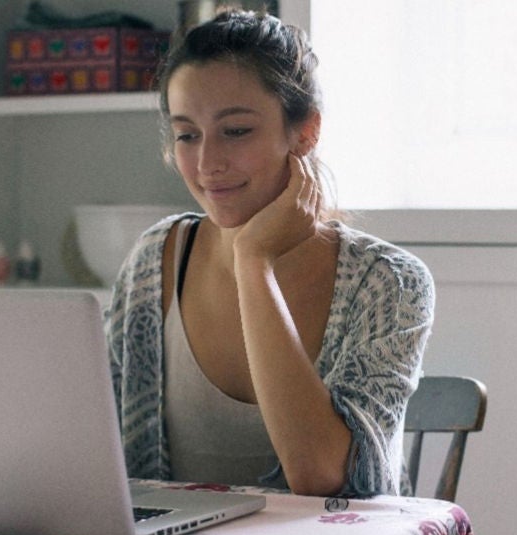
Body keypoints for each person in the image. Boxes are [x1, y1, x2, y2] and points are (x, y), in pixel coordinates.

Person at [104, 9, 435, 498]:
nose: (208, 163)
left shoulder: (390, 283)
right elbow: (93, 451)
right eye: (187, 135)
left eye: (236, 131)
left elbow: (324, 478)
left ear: (304, 132)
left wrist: (254, 262)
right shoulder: (155, 260)